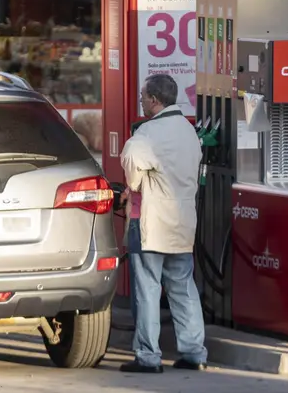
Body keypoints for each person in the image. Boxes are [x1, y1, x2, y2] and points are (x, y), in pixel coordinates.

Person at [118, 74, 207, 374]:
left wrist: (137, 181)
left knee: (147, 290)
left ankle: (148, 356)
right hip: (182, 223)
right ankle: (195, 353)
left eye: (143, 96)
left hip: (150, 224)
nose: (141, 100)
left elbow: (132, 173)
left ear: (154, 100)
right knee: (183, 287)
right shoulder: (188, 131)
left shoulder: (146, 134)